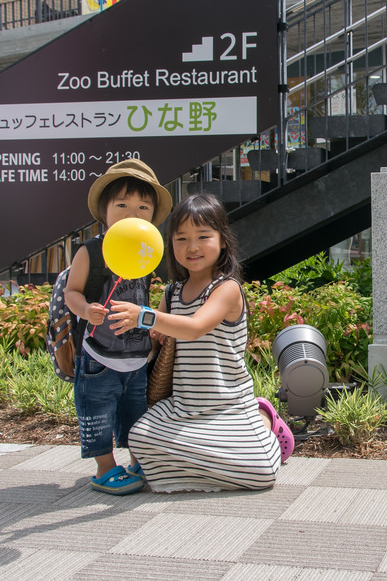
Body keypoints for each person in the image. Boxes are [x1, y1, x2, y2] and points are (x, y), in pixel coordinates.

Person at [109, 193, 294, 493]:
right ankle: (214, 464)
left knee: (261, 474)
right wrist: (151, 335)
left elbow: (195, 327)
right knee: (139, 438)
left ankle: (264, 421)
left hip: (228, 406)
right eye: (181, 238)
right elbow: (161, 338)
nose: (192, 247)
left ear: (222, 240)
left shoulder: (227, 288)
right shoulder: (171, 293)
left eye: (203, 236)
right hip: (183, 406)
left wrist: (145, 317)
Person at [65, 158, 172, 496]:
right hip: (98, 356)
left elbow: (147, 293)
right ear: (105, 210)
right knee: (97, 410)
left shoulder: (145, 251)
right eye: (122, 204)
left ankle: (139, 459)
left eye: (143, 206)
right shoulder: (91, 252)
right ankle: (104, 468)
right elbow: (71, 292)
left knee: (135, 412)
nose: (132, 213)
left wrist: (155, 321)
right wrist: (86, 309)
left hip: (136, 356)